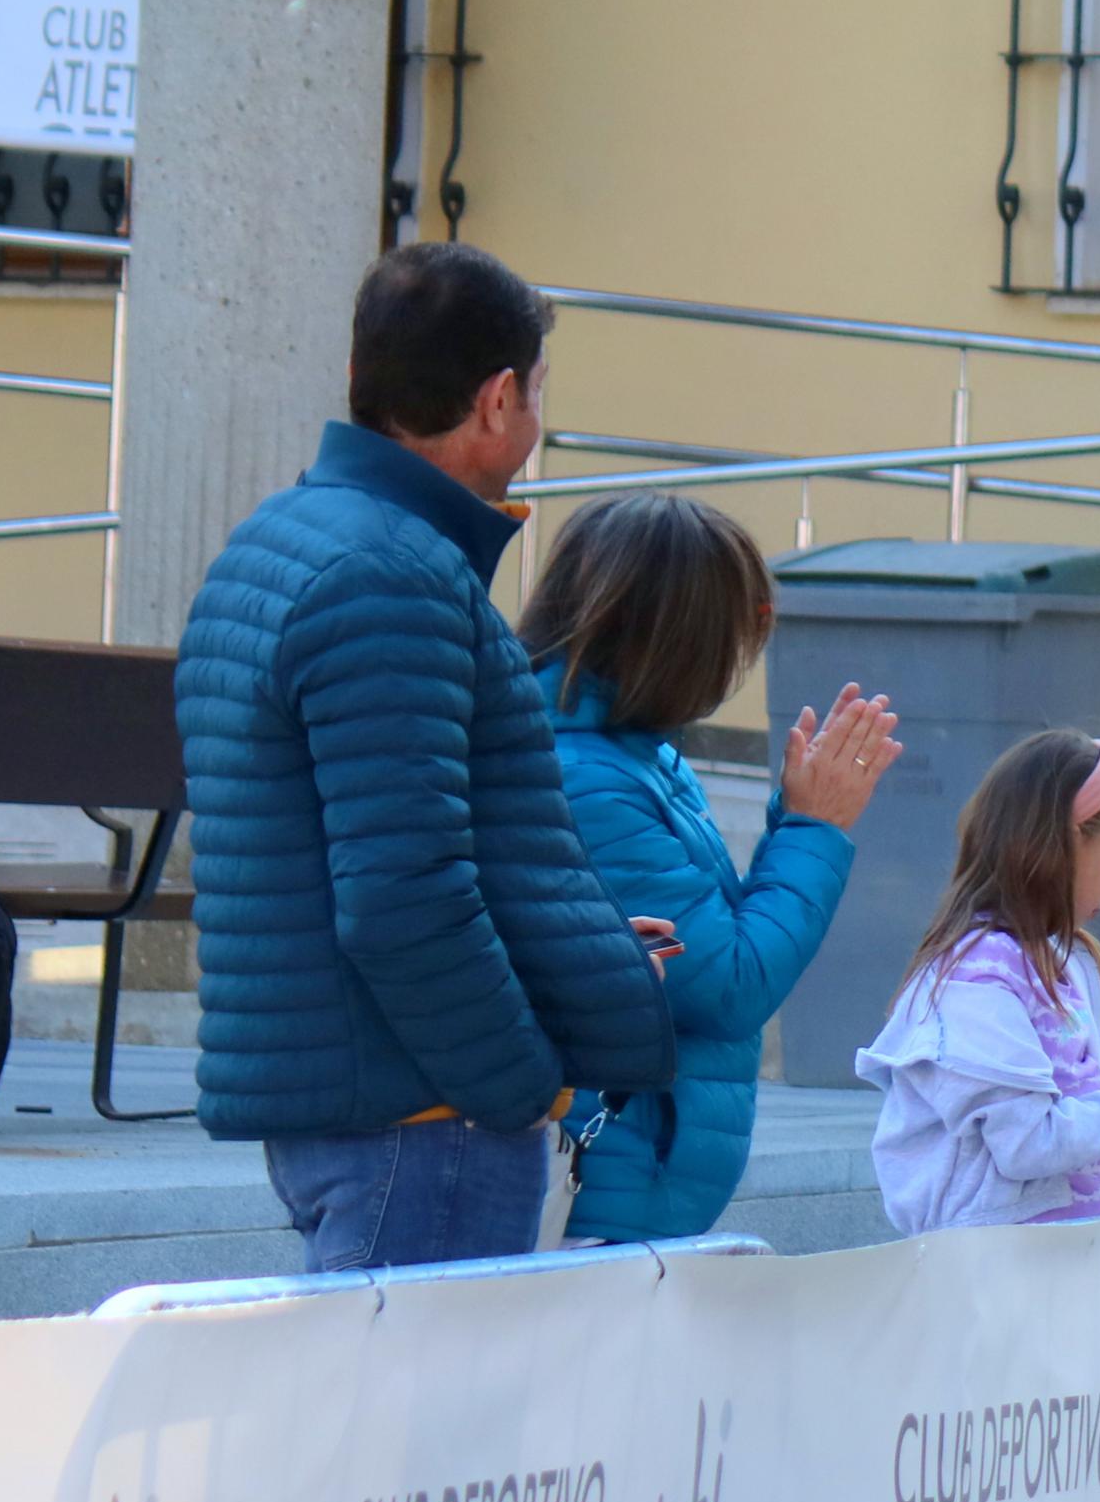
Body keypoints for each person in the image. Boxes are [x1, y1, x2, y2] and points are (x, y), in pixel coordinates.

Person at [181, 241, 678, 1273]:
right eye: (537, 396)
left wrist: (562, 945)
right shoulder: (387, 577)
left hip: (368, 1096)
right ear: (498, 401)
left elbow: (363, 840)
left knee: (383, 1425)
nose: (537, 425)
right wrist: (515, 1085)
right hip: (421, 1115)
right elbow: (400, 899)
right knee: (424, 1433)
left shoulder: (292, 539)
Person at [520, 491, 900, 1242]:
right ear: (676, 641)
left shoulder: (637, 757)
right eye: (736, 630)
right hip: (605, 1191)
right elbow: (726, 986)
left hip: (630, 1186)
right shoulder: (589, 779)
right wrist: (813, 828)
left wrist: (799, 818)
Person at [857, 733, 1100, 1233]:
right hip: (991, 1280)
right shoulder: (977, 977)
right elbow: (1027, 1142)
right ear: (1062, 843)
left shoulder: (1062, 963)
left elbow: (1056, 1116)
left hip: (1054, 1269)